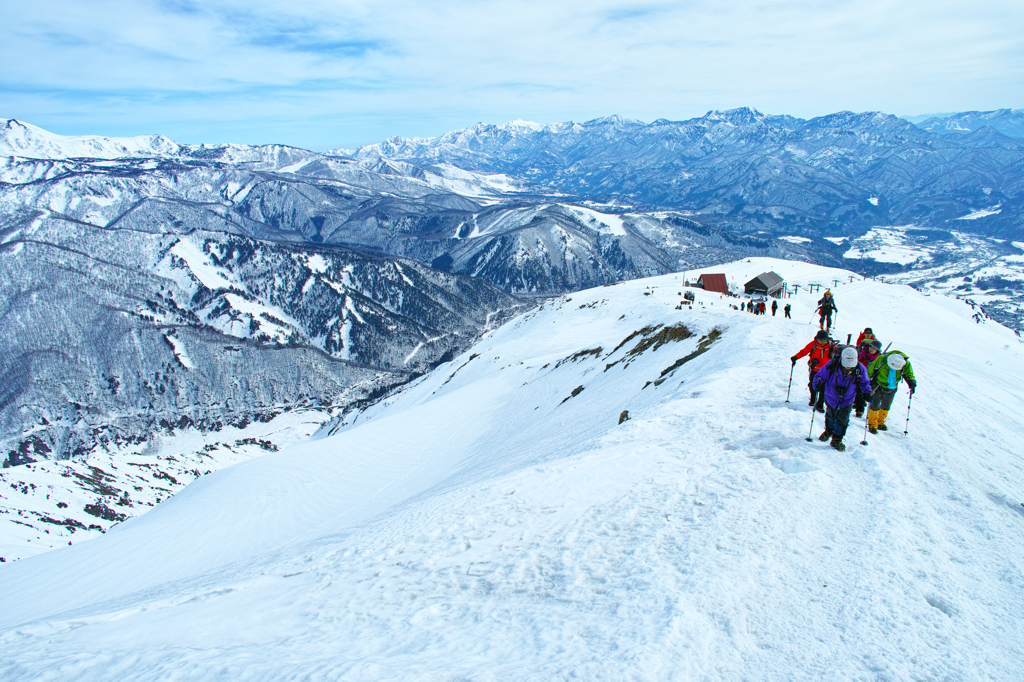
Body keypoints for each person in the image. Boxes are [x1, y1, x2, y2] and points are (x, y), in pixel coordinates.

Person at [812, 346, 872, 451]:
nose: (848, 368)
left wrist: (868, 392)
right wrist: (817, 384)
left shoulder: (860, 368)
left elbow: (864, 383)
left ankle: (837, 439)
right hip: (831, 395)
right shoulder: (832, 364)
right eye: (846, 366)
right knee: (831, 415)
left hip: (848, 398)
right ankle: (828, 431)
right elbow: (819, 376)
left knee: (843, 419)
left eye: (850, 366)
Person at [866, 351, 917, 433]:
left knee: (886, 405)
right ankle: (872, 424)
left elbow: (908, 374)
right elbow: (871, 369)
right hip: (878, 384)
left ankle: (880, 421)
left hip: (892, 387)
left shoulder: (906, 363)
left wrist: (911, 382)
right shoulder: (881, 359)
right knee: (874, 404)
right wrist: (866, 382)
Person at [791, 329, 833, 412]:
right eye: (820, 340)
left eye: (824, 340)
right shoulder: (813, 344)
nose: (822, 342)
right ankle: (813, 399)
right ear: (816, 339)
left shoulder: (831, 346)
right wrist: (796, 357)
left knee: (824, 387)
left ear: (827, 339)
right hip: (814, 369)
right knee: (812, 385)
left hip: (827, 371)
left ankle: (820, 404)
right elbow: (804, 351)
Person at [854, 339, 882, 417]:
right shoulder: (863, 353)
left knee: (864, 393)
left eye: (874, 348)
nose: (871, 349)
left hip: (870, 378)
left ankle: (860, 410)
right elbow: (856, 361)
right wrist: (863, 359)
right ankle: (857, 404)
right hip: (860, 376)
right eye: (871, 347)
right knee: (857, 391)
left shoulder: (879, 358)